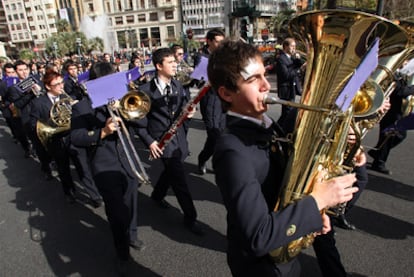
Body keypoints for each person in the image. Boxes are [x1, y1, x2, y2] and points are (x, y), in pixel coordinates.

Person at [210, 40, 358, 276]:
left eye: (264, 75)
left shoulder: (270, 127)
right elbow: (259, 235)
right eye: (252, 80)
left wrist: (312, 215)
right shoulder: (232, 151)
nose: (266, 85)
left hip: (285, 258)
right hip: (261, 268)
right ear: (226, 93)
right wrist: (317, 201)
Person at [70, 61, 144, 273]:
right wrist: (102, 132)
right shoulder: (82, 107)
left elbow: (142, 124)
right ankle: (121, 251)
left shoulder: (123, 99)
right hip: (104, 164)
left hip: (127, 159)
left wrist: (130, 110)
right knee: (116, 211)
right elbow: (76, 137)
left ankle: (132, 234)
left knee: (131, 204)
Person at [136, 48, 204, 236]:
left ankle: (157, 195)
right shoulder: (143, 92)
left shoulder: (179, 86)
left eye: (176, 61)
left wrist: (189, 114)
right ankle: (191, 217)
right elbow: (139, 124)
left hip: (179, 138)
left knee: (172, 171)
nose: (176, 65)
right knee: (179, 180)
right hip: (161, 142)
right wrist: (150, 142)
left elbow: (184, 109)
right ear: (159, 66)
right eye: (171, 62)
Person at [29, 70, 77, 203]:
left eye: (62, 82)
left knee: (81, 165)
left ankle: (93, 193)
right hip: (55, 140)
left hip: (72, 137)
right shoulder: (38, 103)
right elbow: (34, 125)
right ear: (48, 86)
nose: (62, 86)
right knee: (63, 168)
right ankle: (69, 191)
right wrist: (53, 123)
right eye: (57, 84)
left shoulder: (67, 98)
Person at [368, 69, 414, 175]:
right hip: (390, 110)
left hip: (397, 110)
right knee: (389, 136)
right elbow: (399, 92)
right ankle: (379, 162)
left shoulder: (401, 74)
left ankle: (377, 153)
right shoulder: (391, 74)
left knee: (398, 135)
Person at [196, 28, 226, 175]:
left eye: (222, 42)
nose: (220, 45)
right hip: (209, 100)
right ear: (209, 41)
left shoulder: (224, 56)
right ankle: (203, 159)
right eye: (217, 42)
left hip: (224, 100)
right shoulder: (202, 57)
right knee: (214, 135)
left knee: (223, 134)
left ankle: (220, 164)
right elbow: (198, 81)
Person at [275, 38, 305, 125]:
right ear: (285, 47)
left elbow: (296, 68)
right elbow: (286, 75)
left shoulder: (292, 58)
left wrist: (299, 61)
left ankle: (278, 130)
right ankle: (279, 130)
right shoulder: (281, 59)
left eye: (295, 46)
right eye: (292, 46)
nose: (294, 48)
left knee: (286, 113)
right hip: (286, 90)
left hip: (293, 89)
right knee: (287, 113)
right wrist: (299, 70)